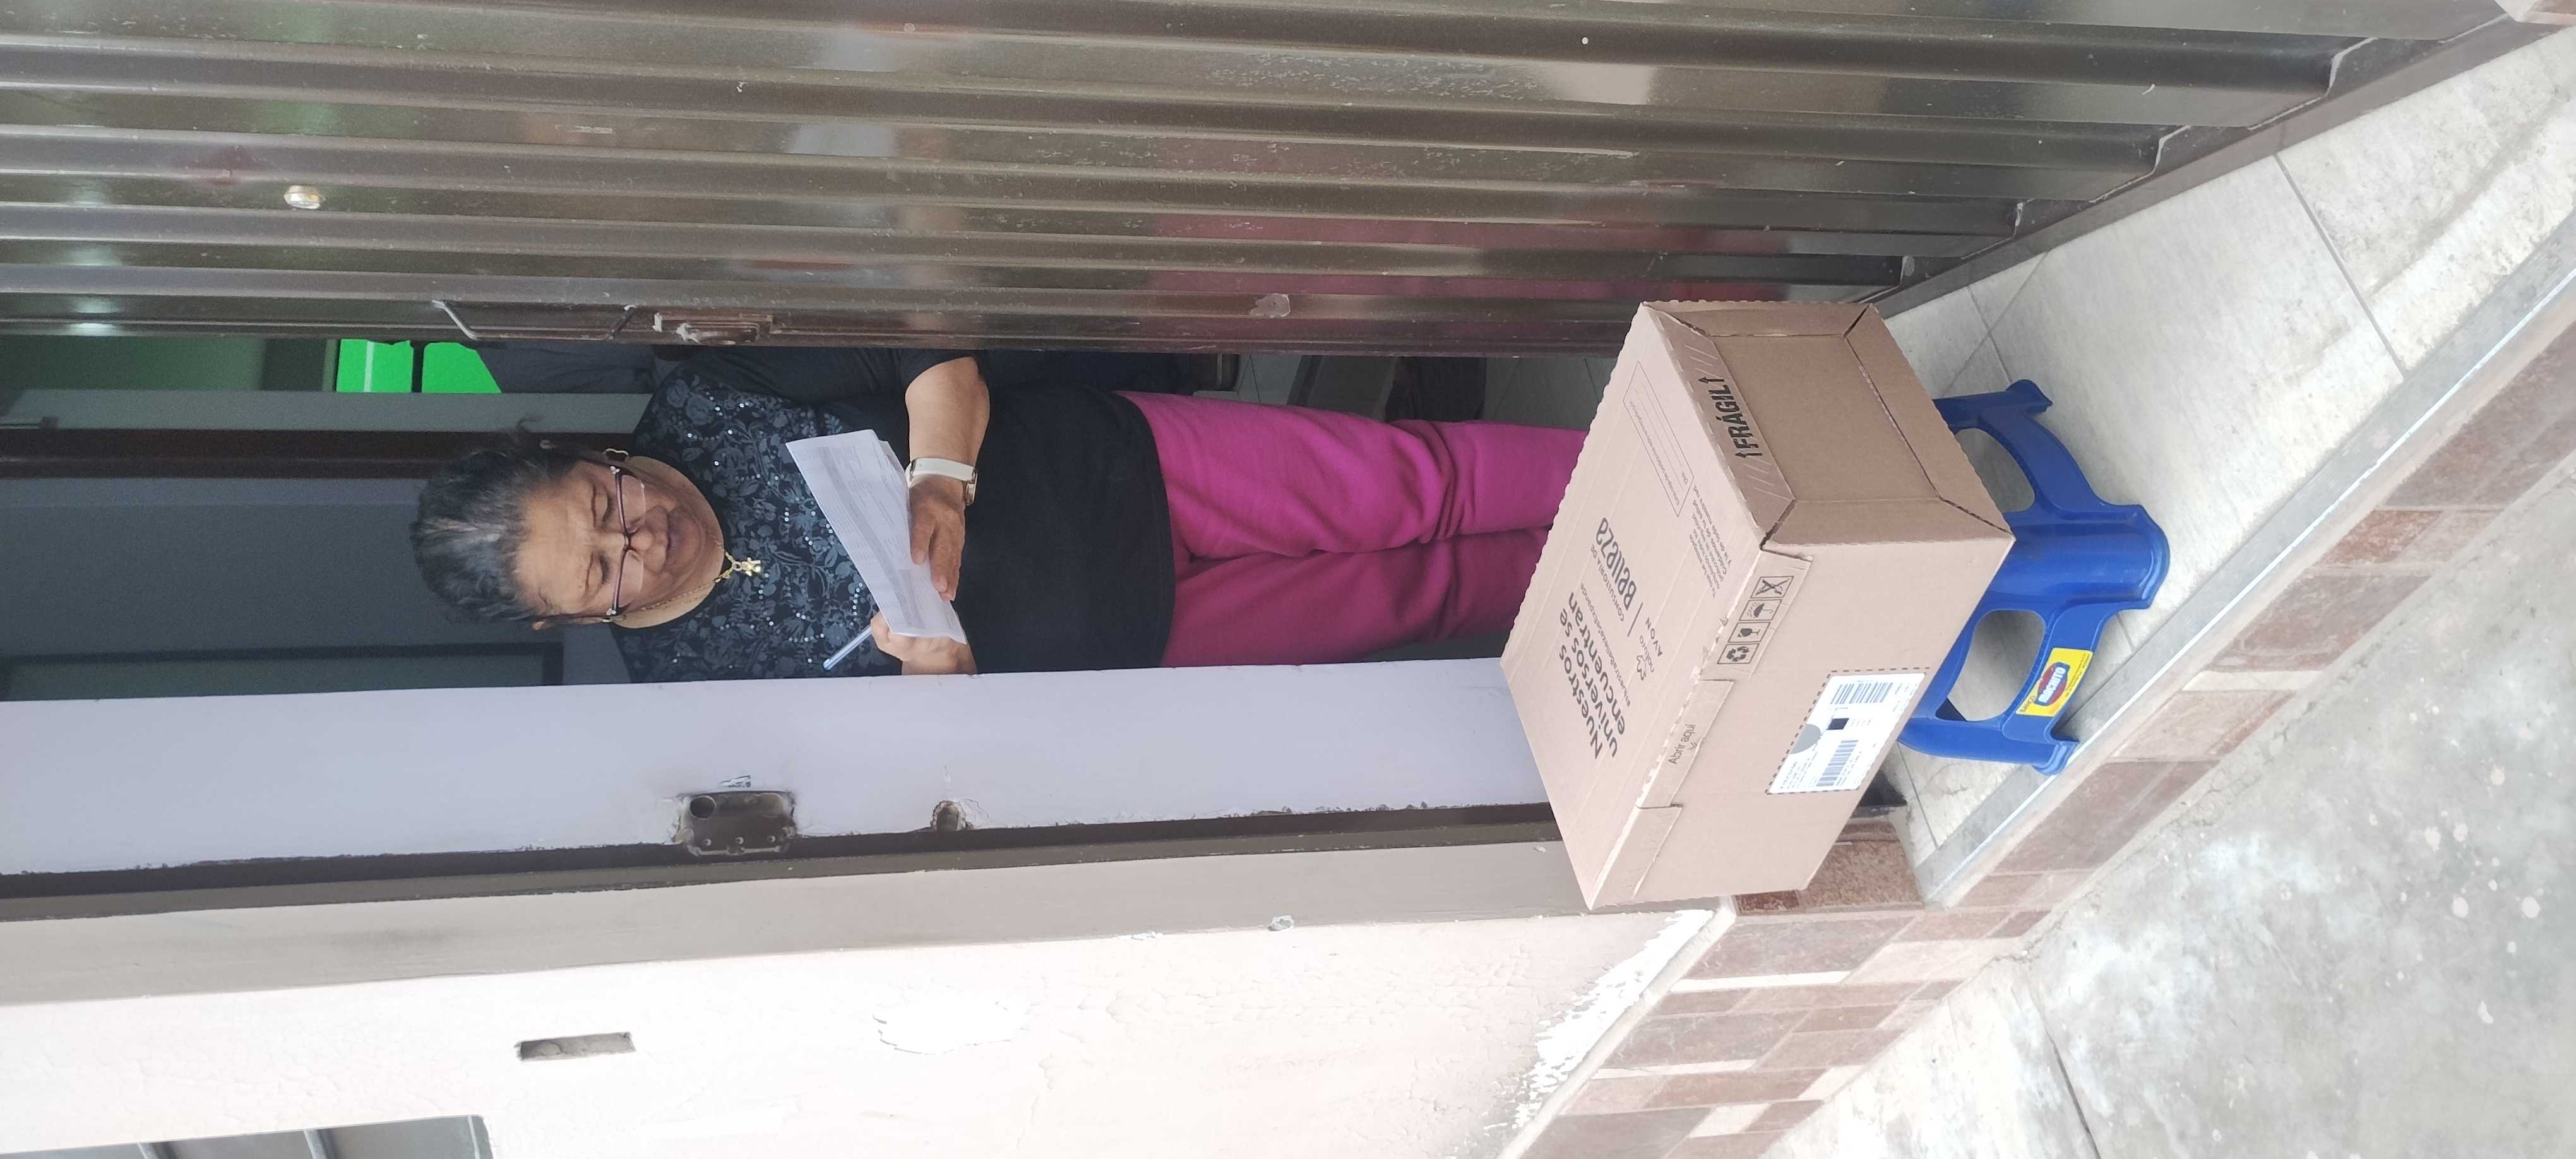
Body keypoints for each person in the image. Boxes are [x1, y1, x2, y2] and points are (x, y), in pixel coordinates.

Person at [410, 347, 1581, 681]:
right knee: (1418, 595)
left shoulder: (710, 401)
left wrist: (938, 478)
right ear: (569, 622)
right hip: (1135, 634)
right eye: (603, 572)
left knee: (1421, 484)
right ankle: (1654, 573)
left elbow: (930, 354)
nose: (639, 536)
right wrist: (935, 677)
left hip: (1122, 467)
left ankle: (1659, 466)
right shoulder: (692, 688)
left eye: (605, 500)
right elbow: (914, 783)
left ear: (590, 455)